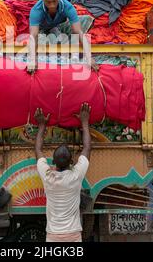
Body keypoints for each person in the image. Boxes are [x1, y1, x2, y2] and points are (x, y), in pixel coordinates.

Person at [34, 103, 91, 242]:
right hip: (73, 234)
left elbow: (38, 150)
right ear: (72, 162)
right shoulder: (75, 176)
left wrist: (42, 125)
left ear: (52, 162)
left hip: (53, 235)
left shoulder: (48, 177)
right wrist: (84, 122)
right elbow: (87, 148)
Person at [27, 0, 96, 73]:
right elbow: (33, 35)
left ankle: (63, 40)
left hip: (60, 27)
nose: (52, 5)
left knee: (86, 19)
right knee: (43, 39)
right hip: (44, 31)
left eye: (54, 1)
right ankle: (61, 41)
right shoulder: (36, 10)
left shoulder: (67, 6)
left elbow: (78, 31)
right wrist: (32, 59)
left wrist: (89, 57)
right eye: (48, 2)